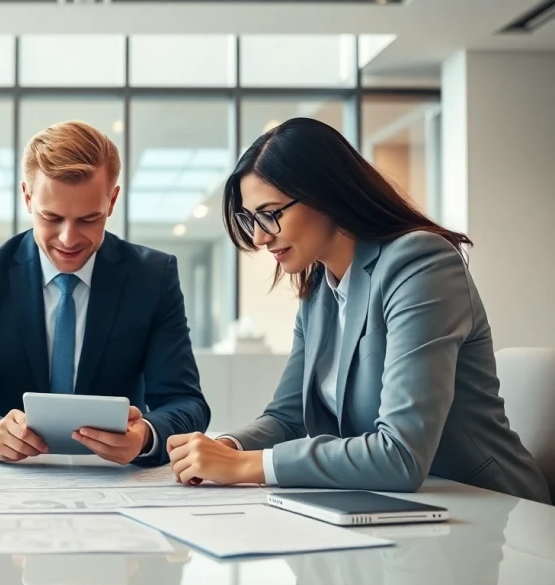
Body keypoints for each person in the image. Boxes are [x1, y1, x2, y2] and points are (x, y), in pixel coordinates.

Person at [167, 117, 550, 504]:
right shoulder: (319, 289)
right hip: (400, 510)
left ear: (324, 193)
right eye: (250, 219)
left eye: (270, 214)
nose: (259, 237)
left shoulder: (421, 263)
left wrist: (245, 466)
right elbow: (288, 419)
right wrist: (227, 447)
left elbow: (400, 454)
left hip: (493, 512)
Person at [0, 120, 210, 466]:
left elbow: (186, 402)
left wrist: (146, 435)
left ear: (112, 200)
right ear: (27, 197)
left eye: (89, 219)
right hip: (9, 480)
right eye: (51, 217)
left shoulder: (152, 277)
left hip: (115, 477)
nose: (69, 239)